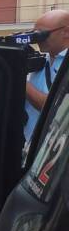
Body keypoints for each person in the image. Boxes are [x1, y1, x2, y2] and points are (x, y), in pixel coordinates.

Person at [24, 8, 69, 142]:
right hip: (32, 149)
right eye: (34, 34)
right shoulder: (41, 62)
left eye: (42, 34)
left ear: (66, 32)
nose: (38, 39)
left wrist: (18, 79)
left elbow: (55, 106)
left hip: (57, 153)